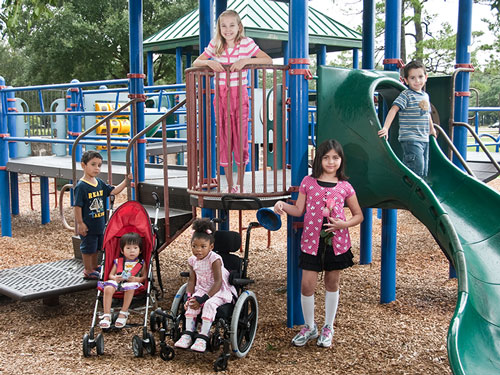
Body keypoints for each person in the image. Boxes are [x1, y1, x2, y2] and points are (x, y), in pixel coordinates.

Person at [274, 139, 363, 348]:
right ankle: (309, 326)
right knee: (307, 285)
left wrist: (344, 223)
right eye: (326, 157)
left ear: (341, 160)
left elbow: (358, 215)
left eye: (335, 157)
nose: (331, 162)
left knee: (332, 283)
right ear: (319, 159)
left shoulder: (345, 187)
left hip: (337, 243)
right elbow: (298, 210)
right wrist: (282, 205)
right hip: (311, 242)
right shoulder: (308, 182)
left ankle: (328, 327)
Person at [193, 9, 272, 193]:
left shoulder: (246, 44)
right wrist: (209, 63)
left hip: (240, 94)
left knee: (241, 136)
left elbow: (267, 59)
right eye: (223, 26)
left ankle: (241, 184)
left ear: (239, 27)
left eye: (231, 25)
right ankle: (229, 185)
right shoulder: (216, 45)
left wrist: (246, 61)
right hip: (221, 95)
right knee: (224, 137)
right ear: (219, 28)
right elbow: (197, 61)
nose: (227, 29)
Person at [174, 218, 237, 352]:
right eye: (194, 246)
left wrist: (203, 299)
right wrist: (189, 297)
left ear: (211, 247)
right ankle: (188, 334)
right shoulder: (192, 260)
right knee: (192, 303)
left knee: (208, 305)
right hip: (202, 289)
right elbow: (191, 281)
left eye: (203, 247)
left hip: (218, 290)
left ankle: (203, 337)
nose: (198, 250)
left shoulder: (215, 259)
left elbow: (218, 282)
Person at [74, 150, 132, 280]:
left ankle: (94, 266)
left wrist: (125, 181)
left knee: (95, 247)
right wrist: (80, 223)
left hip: (99, 223)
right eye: (93, 164)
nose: (97, 168)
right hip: (88, 224)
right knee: (87, 247)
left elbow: (113, 191)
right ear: (84, 165)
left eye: (99, 165)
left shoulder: (99, 183)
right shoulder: (81, 186)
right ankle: (88, 270)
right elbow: (77, 206)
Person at [377, 60, 437, 177]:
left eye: (420, 77)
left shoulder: (425, 96)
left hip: (424, 138)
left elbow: (427, 113)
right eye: (412, 78)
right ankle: (411, 192)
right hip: (410, 138)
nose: (417, 81)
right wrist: (386, 127)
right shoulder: (406, 95)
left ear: (426, 77)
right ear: (406, 80)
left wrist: (431, 129)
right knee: (416, 168)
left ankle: (420, 191)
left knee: (424, 169)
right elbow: (393, 109)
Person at [98, 232, 146, 329]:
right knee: (107, 288)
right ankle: (106, 315)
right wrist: (115, 278)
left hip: (132, 283)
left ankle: (123, 312)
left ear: (140, 250)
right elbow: (110, 275)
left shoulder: (141, 263)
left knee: (130, 287)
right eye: (128, 248)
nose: (132, 251)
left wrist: (137, 279)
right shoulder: (118, 261)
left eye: (135, 248)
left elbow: (144, 277)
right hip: (118, 281)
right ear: (122, 250)